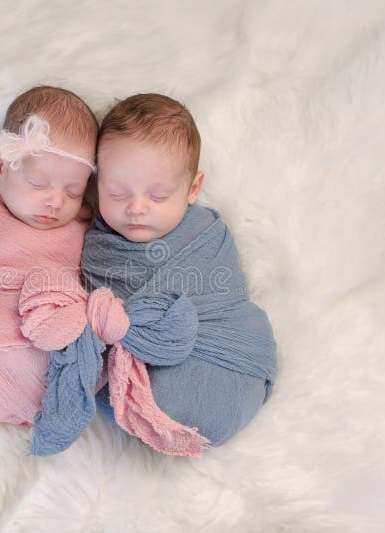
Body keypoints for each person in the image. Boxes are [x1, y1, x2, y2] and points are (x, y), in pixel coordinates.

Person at [86, 93, 277, 447]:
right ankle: (155, 417)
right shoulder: (100, 247)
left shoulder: (206, 234)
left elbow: (227, 299)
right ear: (98, 185)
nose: (136, 209)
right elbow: (95, 320)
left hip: (229, 351)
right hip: (148, 375)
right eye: (116, 193)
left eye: (157, 196)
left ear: (193, 189)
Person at [0, 86, 98, 425]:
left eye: (73, 191)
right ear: (0, 163)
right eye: (39, 183)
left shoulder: (83, 226)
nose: (56, 201)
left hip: (62, 361)